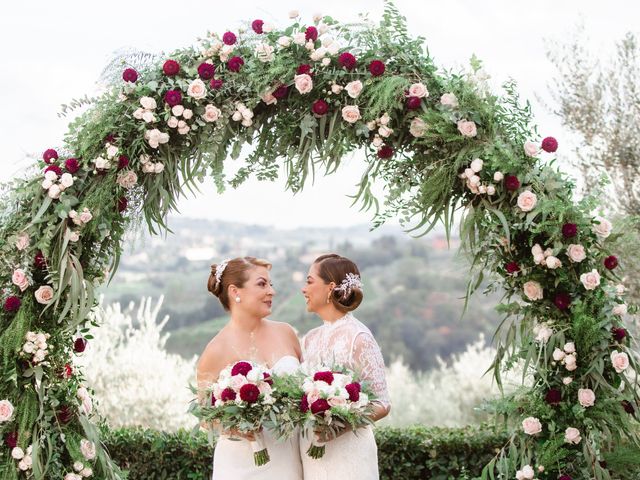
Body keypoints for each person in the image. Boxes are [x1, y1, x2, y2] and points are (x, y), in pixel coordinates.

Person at [196, 256, 303, 480]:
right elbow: (206, 418)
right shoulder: (215, 350)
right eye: (262, 284)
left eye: (271, 284)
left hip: (288, 460)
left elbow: (304, 395)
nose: (271, 291)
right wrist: (237, 425)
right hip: (241, 465)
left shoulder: (286, 333)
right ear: (236, 292)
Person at [300, 254, 391, 480]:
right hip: (311, 453)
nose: (303, 289)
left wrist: (338, 428)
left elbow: (382, 403)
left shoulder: (359, 338)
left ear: (330, 288)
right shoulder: (309, 339)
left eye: (309, 281)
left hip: (350, 454)